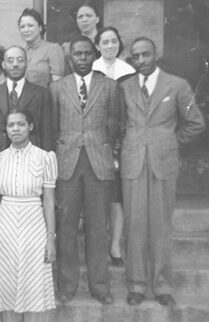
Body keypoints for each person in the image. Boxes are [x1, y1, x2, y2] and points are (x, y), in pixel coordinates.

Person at [120, 37, 205, 307]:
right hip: (133, 162)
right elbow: (116, 123)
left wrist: (170, 141)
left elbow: (196, 122)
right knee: (133, 225)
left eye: (146, 54)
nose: (141, 60)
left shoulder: (178, 85)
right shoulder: (123, 87)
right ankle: (135, 284)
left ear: (155, 54)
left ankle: (162, 285)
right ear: (131, 59)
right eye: (136, 56)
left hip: (163, 163)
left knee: (160, 225)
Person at [50, 36, 119, 305]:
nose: (82, 58)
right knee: (66, 229)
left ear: (94, 55)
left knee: (97, 228)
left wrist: (105, 149)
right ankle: (66, 286)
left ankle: (100, 287)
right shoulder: (57, 88)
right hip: (66, 165)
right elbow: (52, 125)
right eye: (77, 54)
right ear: (70, 57)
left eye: (87, 53)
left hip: (98, 165)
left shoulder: (110, 86)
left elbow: (116, 124)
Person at [0, 109, 57, 321]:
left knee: (32, 287)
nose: (16, 129)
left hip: (34, 223)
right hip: (4, 225)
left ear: (30, 127)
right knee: (6, 288)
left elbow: (49, 200)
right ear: (5, 130)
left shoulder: (45, 157)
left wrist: (50, 238)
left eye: (21, 124)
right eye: (11, 125)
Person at [92, 26, 135, 267]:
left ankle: (115, 243)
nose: (109, 46)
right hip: (96, 139)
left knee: (117, 196)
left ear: (119, 44)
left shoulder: (128, 71)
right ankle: (97, 243)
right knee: (97, 195)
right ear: (97, 45)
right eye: (104, 42)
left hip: (121, 138)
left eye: (113, 41)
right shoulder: (91, 69)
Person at [0, 46, 54, 160]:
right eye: (10, 60)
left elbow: (47, 134)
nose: (15, 64)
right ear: (3, 64)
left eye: (20, 60)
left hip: (32, 160)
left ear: (26, 63)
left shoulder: (41, 94)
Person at [18, 8, 65, 88]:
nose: (26, 30)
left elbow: (58, 86)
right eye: (22, 27)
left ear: (40, 28)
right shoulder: (20, 52)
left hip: (45, 99)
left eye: (30, 26)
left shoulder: (53, 49)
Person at [62, 2, 101, 74]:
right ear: (77, 22)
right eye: (80, 17)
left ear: (97, 19)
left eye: (88, 16)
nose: (84, 20)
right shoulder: (68, 48)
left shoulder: (107, 43)